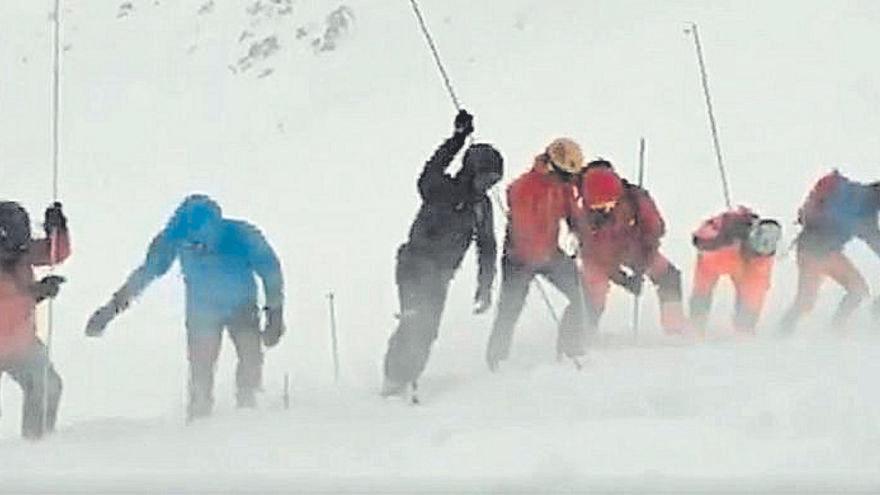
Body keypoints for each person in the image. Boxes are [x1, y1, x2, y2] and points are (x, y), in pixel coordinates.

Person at [84, 195, 285, 420]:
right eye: (191, 244)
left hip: (242, 308)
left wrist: (275, 312)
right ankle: (199, 419)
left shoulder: (242, 235)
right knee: (201, 369)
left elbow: (271, 270)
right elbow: (146, 273)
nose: (197, 248)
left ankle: (249, 410)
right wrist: (112, 308)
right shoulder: (172, 240)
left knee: (250, 357)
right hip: (202, 314)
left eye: (201, 243)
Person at [382, 109, 503, 396]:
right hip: (414, 263)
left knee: (429, 330)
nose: (487, 187)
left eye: (493, 182)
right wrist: (458, 138)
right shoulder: (440, 187)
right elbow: (430, 169)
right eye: (485, 179)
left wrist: (485, 286)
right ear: (471, 171)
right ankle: (394, 378)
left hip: (441, 274)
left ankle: (408, 376)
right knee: (415, 319)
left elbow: (487, 247)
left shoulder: (481, 207)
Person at [484, 138, 587, 371]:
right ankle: (496, 358)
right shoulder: (524, 188)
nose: (570, 181)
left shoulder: (563, 186)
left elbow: (572, 214)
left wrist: (581, 233)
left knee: (580, 293)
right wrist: (534, 258)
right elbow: (525, 229)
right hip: (518, 258)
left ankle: (570, 347)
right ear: (552, 166)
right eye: (566, 175)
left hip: (550, 253)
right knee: (510, 308)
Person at [575, 165, 687, 335]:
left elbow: (655, 229)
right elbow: (593, 254)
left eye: (608, 203)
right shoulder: (583, 215)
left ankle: (675, 327)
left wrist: (644, 259)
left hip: (637, 249)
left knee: (668, 276)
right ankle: (584, 333)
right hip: (601, 260)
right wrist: (622, 279)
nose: (605, 209)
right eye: (597, 206)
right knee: (592, 291)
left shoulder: (637, 199)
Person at [0, 201, 69, 439]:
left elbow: (55, 254)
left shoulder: (21, 252)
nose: (21, 253)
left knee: (48, 387)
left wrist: (58, 229)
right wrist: (36, 292)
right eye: (13, 248)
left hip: (22, 344)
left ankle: (36, 443)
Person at [780, 170, 880, 332]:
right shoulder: (866, 213)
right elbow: (875, 240)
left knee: (856, 290)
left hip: (819, 250)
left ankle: (833, 329)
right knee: (855, 291)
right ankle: (784, 333)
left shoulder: (851, 191)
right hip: (813, 253)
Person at [689, 206, 781, 335]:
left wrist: (748, 322)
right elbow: (699, 239)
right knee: (702, 291)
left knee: (752, 300)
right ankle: (695, 329)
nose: (755, 255)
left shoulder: (762, 261)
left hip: (744, 269)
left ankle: (743, 334)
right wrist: (722, 236)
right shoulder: (722, 240)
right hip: (717, 259)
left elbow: (755, 293)